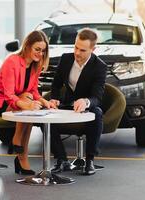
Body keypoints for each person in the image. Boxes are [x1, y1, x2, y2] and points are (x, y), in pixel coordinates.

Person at [0, 30, 57, 175]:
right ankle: (18, 148)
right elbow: (9, 94)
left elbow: (33, 91)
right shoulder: (12, 61)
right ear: (27, 46)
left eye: (43, 51)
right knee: (27, 106)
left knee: (29, 99)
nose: (40, 54)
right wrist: (27, 104)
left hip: (17, 100)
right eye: (37, 49)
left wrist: (43, 101)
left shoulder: (36, 65)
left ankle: (20, 153)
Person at [49, 28, 107, 175]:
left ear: (93, 49)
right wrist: (54, 99)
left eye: (82, 50)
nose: (77, 53)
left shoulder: (99, 66)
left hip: (88, 107)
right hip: (67, 104)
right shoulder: (65, 59)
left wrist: (86, 101)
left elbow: (97, 97)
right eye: (75, 47)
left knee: (97, 113)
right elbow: (56, 85)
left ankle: (90, 160)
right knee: (47, 116)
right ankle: (62, 160)